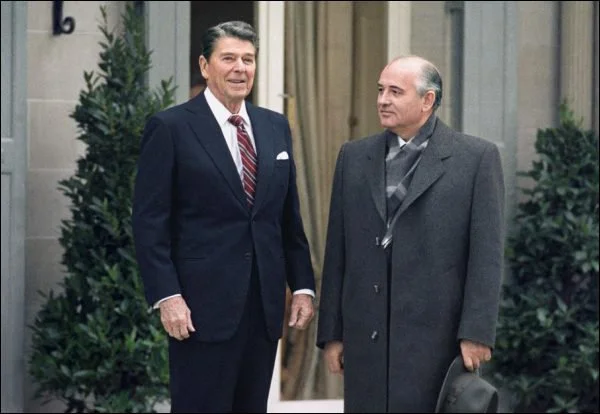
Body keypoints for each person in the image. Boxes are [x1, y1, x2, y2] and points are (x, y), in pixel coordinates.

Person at [132, 20, 316, 413]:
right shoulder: (171, 127)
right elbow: (150, 223)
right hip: (199, 310)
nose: (240, 68)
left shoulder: (274, 126)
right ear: (205, 65)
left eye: (248, 59)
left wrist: (302, 285)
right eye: (229, 58)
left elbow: (288, 218)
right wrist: (168, 296)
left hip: (263, 308)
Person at [316, 55, 505, 412]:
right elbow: (337, 251)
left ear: (427, 100)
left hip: (438, 344)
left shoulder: (475, 158)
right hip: (367, 342)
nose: (382, 100)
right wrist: (332, 333)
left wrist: (477, 332)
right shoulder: (353, 157)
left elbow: (487, 256)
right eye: (380, 90)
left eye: (395, 92)